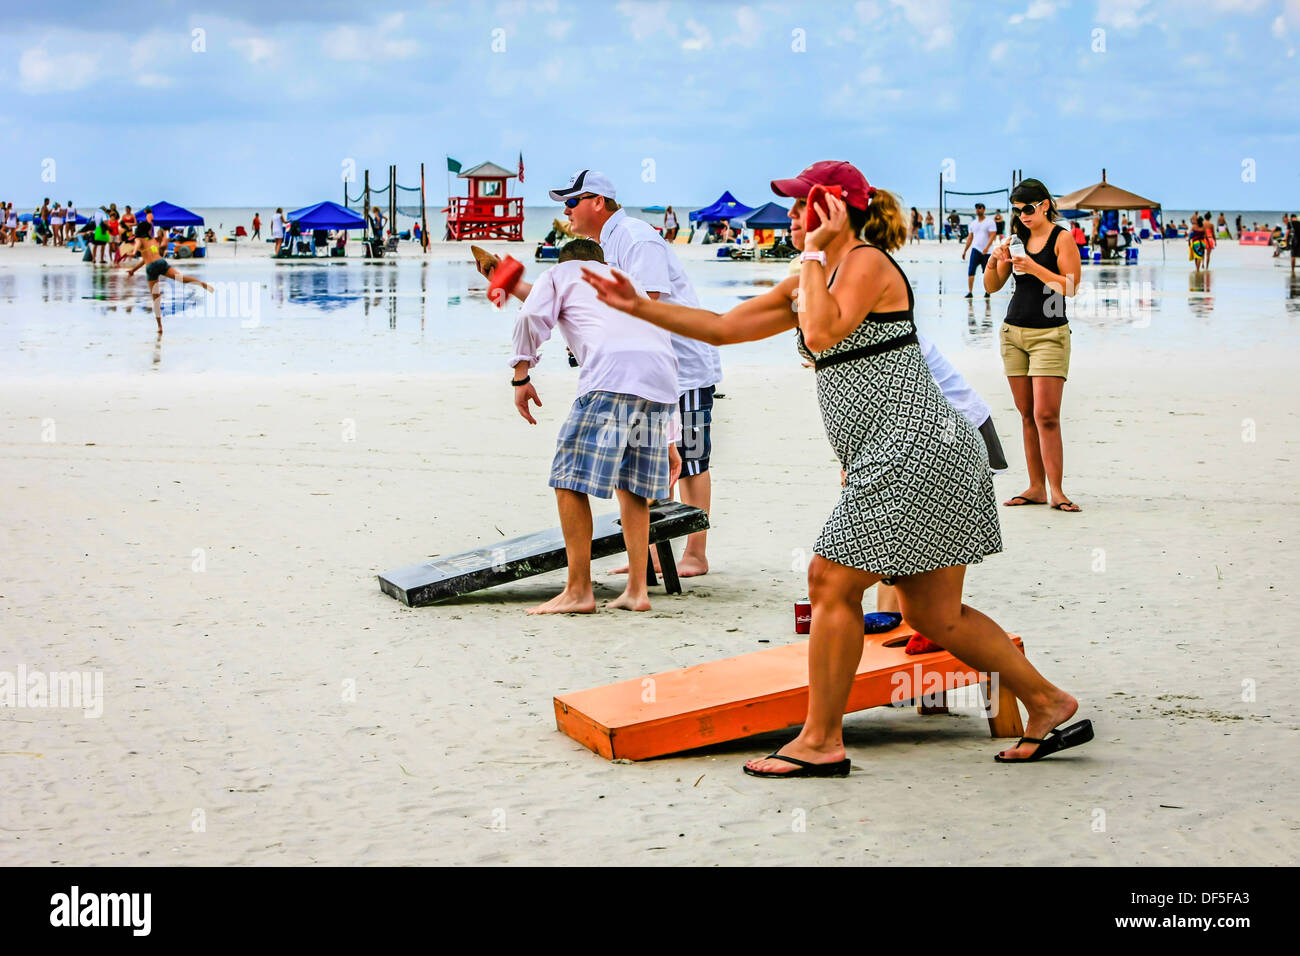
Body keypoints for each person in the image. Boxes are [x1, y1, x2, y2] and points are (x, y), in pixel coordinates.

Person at [584, 159, 1089, 775]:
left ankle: (822, 741)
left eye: (803, 207)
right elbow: (720, 328)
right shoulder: (811, 273)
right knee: (933, 615)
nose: (794, 218)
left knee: (829, 579)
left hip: (914, 448)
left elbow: (822, 335)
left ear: (836, 210)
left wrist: (819, 254)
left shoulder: (865, 264)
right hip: (907, 452)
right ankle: (1046, 700)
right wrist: (636, 306)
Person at [545, 169, 722, 577]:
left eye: (572, 202)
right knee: (646, 457)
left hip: (683, 363)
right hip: (645, 367)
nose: (566, 210)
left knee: (692, 457)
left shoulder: (636, 237)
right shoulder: (603, 244)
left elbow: (646, 303)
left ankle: (695, 554)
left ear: (597, 202)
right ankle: (651, 555)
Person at [508, 238, 682, 613]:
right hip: (662, 380)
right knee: (633, 486)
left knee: (568, 479)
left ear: (565, 260)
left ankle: (578, 591)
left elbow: (530, 317)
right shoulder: (624, 279)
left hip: (611, 376)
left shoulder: (558, 274)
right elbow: (658, 333)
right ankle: (637, 591)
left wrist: (521, 375)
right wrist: (672, 438)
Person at [984, 177, 1083, 513]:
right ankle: (1036, 487)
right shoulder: (1015, 239)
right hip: (1013, 333)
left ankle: (1057, 490)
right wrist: (995, 260)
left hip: (1050, 334)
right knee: (1027, 414)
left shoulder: (1061, 238)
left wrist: (1034, 267)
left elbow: (1070, 287)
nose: (1022, 216)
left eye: (1027, 209)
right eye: (1016, 210)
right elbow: (993, 286)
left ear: (1044, 205)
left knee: (1046, 415)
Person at [120, 221, 214, 334]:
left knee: (156, 299)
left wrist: (133, 252)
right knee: (181, 278)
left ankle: (159, 326)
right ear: (148, 230)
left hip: (151, 268)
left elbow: (139, 249)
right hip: (161, 263)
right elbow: (147, 257)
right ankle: (201, 283)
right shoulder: (153, 240)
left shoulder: (138, 239)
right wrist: (133, 270)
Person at [961, 202, 996, 298]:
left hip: (987, 252)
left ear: (984, 209)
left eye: (980, 208)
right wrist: (965, 251)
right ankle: (970, 292)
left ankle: (987, 292)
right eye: (976, 208)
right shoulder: (973, 223)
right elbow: (970, 238)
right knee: (971, 270)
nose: (978, 209)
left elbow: (993, 235)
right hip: (976, 249)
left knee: (986, 273)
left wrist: (987, 247)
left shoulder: (990, 222)